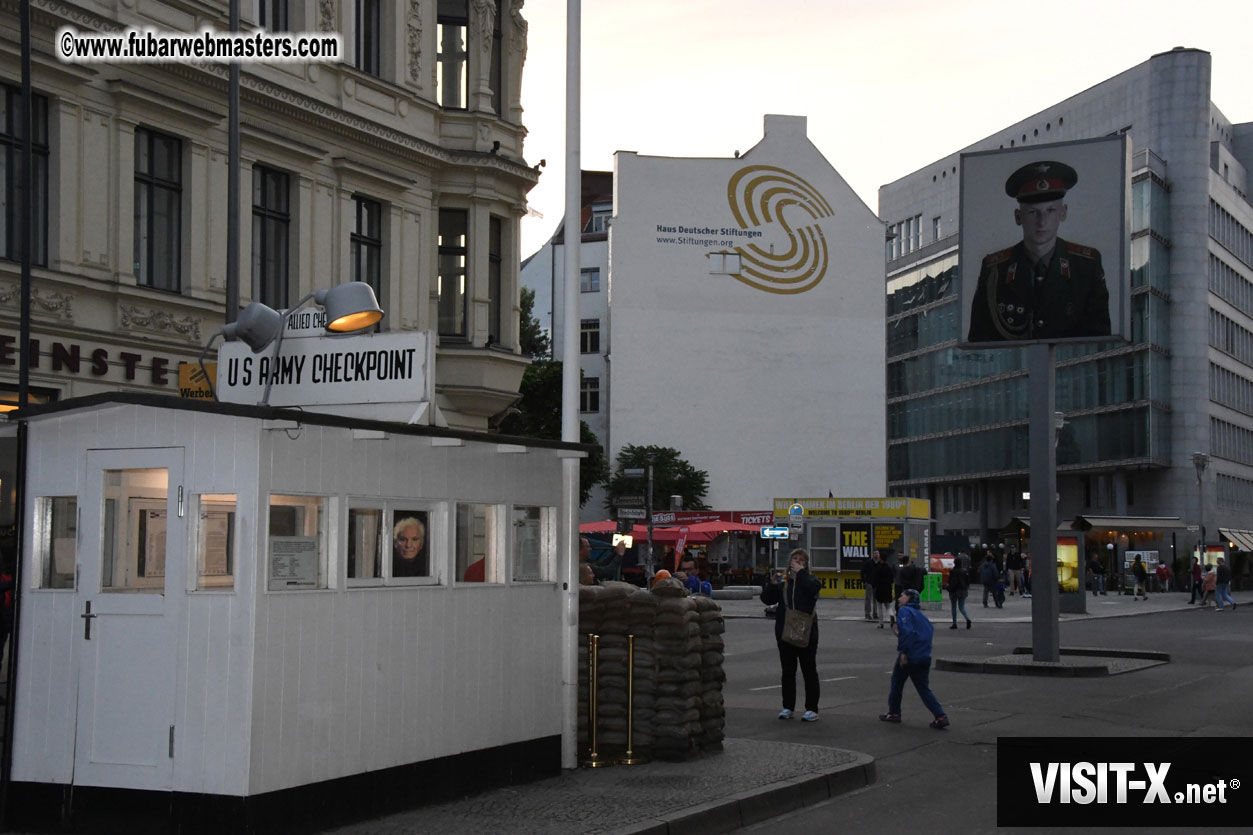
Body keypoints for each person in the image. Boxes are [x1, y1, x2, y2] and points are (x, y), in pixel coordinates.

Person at [967, 160, 1111, 342]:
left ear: (1063, 213)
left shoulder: (1086, 265)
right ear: (1018, 217)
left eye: (1050, 210)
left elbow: (1100, 336)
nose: (1042, 222)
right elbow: (980, 338)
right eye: (1033, 212)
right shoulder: (995, 269)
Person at [760, 548, 821, 722]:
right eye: (794, 559)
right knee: (788, 671)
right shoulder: (783, 581)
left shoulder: (810, 579)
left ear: (806, 564)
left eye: (801, 560)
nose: (797, 562)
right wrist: (772, 585)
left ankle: (812, 708)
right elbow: (767, 599)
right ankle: (788, 706)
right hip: (785, 630)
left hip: (806, 632)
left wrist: (801, 574)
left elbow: (813, 589)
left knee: (809, 669)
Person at [880, 588, 949, 729]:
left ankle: (894, 712)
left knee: (897, 682)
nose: (899, 598)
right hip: (924, 655)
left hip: (911, 655)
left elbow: (907, 633)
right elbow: (921, 633)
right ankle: (940, 715)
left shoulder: (905, 611)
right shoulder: (921, 616)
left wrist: (904, 652)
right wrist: (895, 629)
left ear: (909, 598)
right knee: (923, 688)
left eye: (902, 595)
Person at [945, 555, 972, 630]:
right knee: (962, 607)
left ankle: (954, 623)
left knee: (953, 607)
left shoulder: (953, 571)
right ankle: (967, 619)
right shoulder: (964, 571)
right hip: (962, 591)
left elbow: (950, 581)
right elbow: (967, 581)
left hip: (954, 591)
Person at [872, 552, 896, 629]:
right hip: (887, 589)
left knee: (879, 607)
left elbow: (875, 579)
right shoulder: (889, 568)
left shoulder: (878, 568)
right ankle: (891, 615)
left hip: (880, 589)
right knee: (888, 605)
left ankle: (881, 623)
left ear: (881, 559)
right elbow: (892, 579)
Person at [860, 552, 879, 621]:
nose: (876, 555)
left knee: (876, 599)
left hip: (877, 583)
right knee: (868, 599)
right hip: (869, 582)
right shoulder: (868, 562)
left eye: (877, 553)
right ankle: (867, 614)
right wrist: (864, 581)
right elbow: (862, 571)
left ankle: (875, 613)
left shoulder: (879, 563)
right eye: (874, 553)